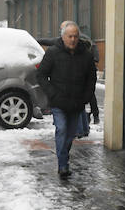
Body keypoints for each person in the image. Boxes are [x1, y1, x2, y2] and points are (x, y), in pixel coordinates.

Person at [37, 21, 97, 177]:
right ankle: (63, 164)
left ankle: (64, 157)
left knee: (70, 135)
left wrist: (86, 97)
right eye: (70, 36)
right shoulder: (53, 53)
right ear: (63, 37)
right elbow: (41, 75)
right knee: (62, 129)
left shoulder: (86, 55)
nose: (73, 39)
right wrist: (52, 94)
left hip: (77, 103)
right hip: (58, 102)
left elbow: (91, 79)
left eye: (75, 36)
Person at [76, 33, 100, 138]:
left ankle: (92, 118)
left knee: (87, 97)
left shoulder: (82, 44)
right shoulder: (87, 42)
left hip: (85, 76)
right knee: (89, 97)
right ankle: (91, 120)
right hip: (85, 76)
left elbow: (95, 59)